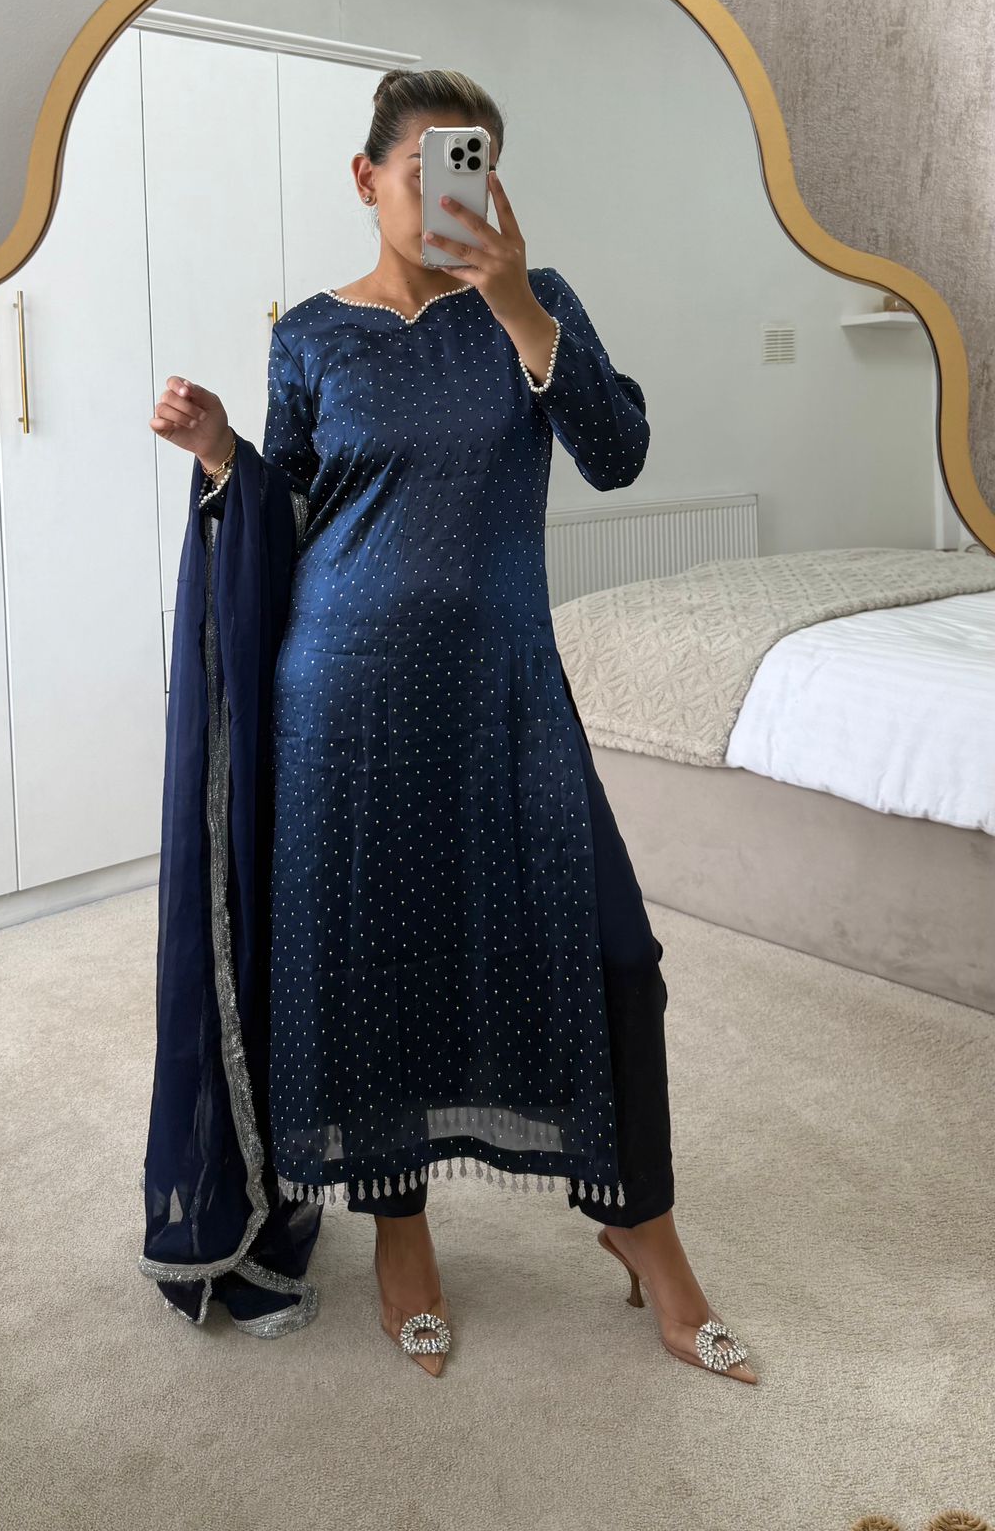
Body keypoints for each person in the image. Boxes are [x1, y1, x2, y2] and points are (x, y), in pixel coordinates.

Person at [145, 68, 756, 1384]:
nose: (445, 190)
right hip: (343, 701)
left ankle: (645, 1236)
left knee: (614, 961)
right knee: (371, 967)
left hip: (506, 689)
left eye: (470, 163)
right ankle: (400, 1233)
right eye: (421, 165)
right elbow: (293, 507)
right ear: (366, 180)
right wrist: (220, 461)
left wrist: (519, 301)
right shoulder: (309, 332)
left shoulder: (534, 308)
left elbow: (619, 450)